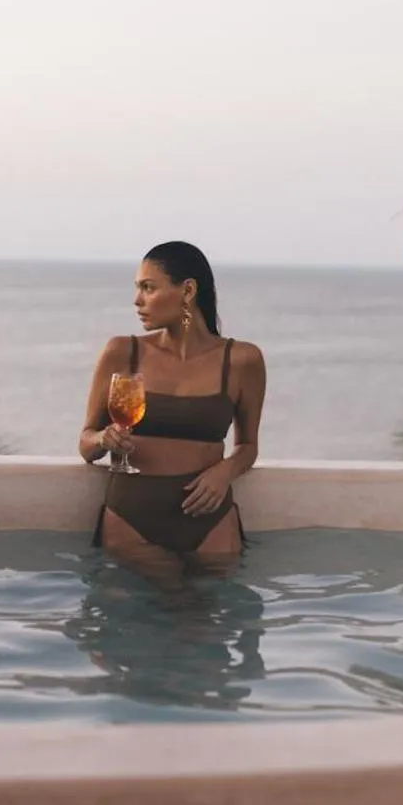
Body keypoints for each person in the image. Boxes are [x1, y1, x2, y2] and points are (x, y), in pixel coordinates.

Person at [78, 241, 265, 565]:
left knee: (210, 614)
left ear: (188, 290)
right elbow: (86, 443)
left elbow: (248, 446)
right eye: (138, 289)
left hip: (210, 519)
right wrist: (102, 438)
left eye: (148, 288)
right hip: (132, 518)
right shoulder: (122, 352)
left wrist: (224, 472)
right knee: (147, 613)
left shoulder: (242, 360)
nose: (138, 301)